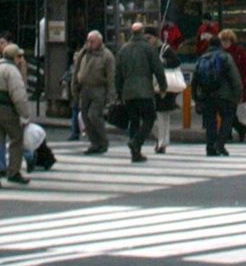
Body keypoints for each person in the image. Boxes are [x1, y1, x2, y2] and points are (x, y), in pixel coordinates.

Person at [115, 21, 167, 163]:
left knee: (134, 121)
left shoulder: (123, 49)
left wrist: (118, 92)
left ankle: (135, 153)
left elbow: (118, 73)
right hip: (144, 90)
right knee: (149, 119)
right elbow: (158, 69)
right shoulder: (148, 48)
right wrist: (163, 86)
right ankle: (136, 143)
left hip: (128, 91)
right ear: (142, 32)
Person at [0, 42, 31, 188]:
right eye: (20, 56)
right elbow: (18, 96)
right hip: (6, 109)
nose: (21, 59)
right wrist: (25, 115)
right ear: (15, 57)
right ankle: (14, 172)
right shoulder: (12, 71)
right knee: (17, 137)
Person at [192, 34, 242, 157]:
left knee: (210, 122)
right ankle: (220, 144)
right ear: (220, 45)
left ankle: (210, 147)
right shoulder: (225, 57)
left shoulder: (201, 58)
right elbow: (235, 78)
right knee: (227, 119)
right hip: (224, 95)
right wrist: (237, 96)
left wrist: (196, 98)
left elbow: (194, 80)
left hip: (207, 95)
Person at [71, 30, 116, 156]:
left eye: (92, 41)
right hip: (84, 88)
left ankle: (103, 141)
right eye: (88, 41)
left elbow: (111, 76)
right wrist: (74, 87)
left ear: (99, 41)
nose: (89, 44)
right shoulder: (83, 53)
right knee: (85, 116)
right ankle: (94, 143)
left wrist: (111, 95)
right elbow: (76, 70)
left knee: (94, 115)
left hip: (99, 88)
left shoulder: (107, 55)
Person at [149, 27, 180, 154]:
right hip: (151, 85)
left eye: (149, 38)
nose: (148, 40)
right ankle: (161, 140)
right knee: (151, 116)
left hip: (164, 86)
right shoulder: (147, 49)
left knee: (162, 115)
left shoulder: (165, 49)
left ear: (156, 37)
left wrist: (164, 62)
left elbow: (177, 62)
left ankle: (162, 142)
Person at [219, 29, 246, 142]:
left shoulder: (238, 53)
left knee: (229, 110)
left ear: (231, 41)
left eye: (226, 41)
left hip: (236, 86)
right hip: (224, 86)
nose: (224, 43)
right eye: (222, 41)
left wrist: (244, 83)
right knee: (227, 111)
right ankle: (238, 129)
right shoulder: (221, 53)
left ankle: (230, 132)